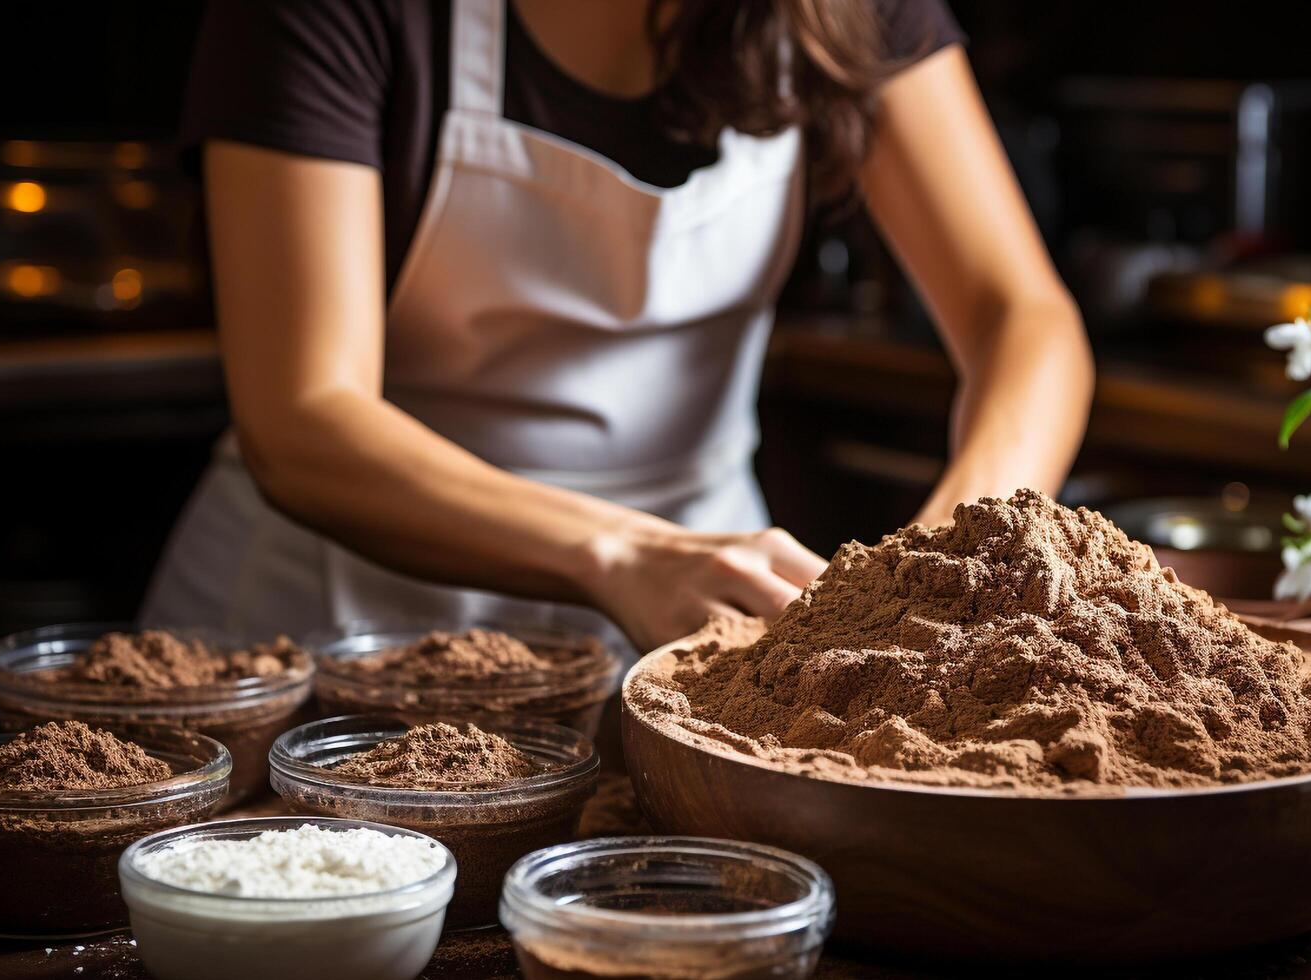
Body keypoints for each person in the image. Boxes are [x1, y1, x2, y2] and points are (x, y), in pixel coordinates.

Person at [143, 0, 1094, 653]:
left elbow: (1021, 316)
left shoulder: (836, 12)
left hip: (705, 629)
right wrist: (623, 554)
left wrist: (954, 547)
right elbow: (302, 418)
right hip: (331, 625)